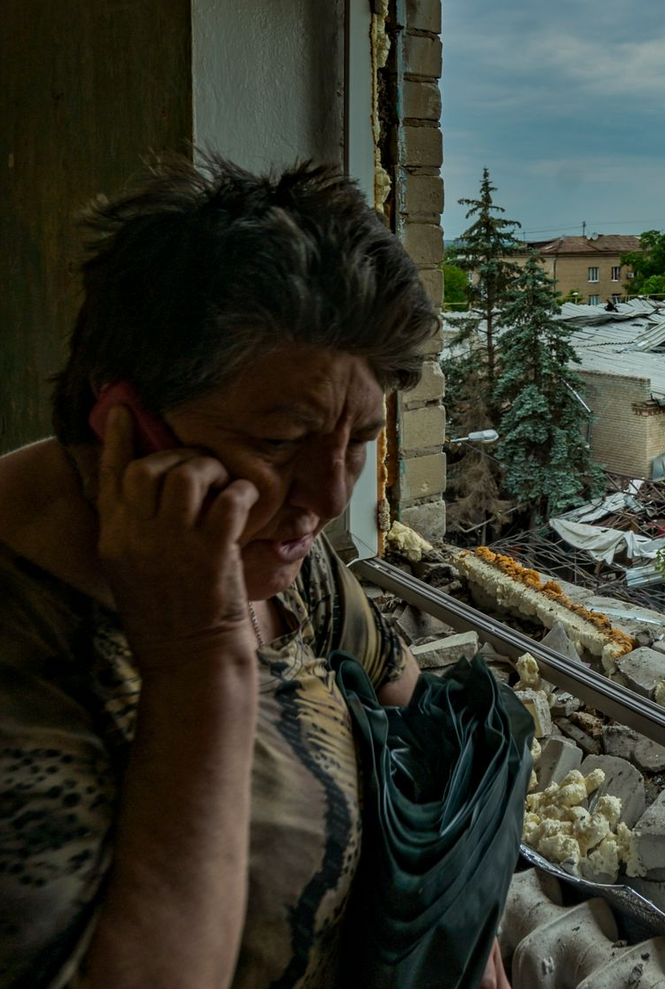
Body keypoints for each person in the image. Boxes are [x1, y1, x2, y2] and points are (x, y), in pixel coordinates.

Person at [0, 157, 510, 988]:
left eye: (357, 442)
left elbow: (406, 701)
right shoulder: (30, 661)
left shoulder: (280, 560)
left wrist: (460, 918)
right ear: (124, 421)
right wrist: (200, 663)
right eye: (278, 442)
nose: (328, 494)